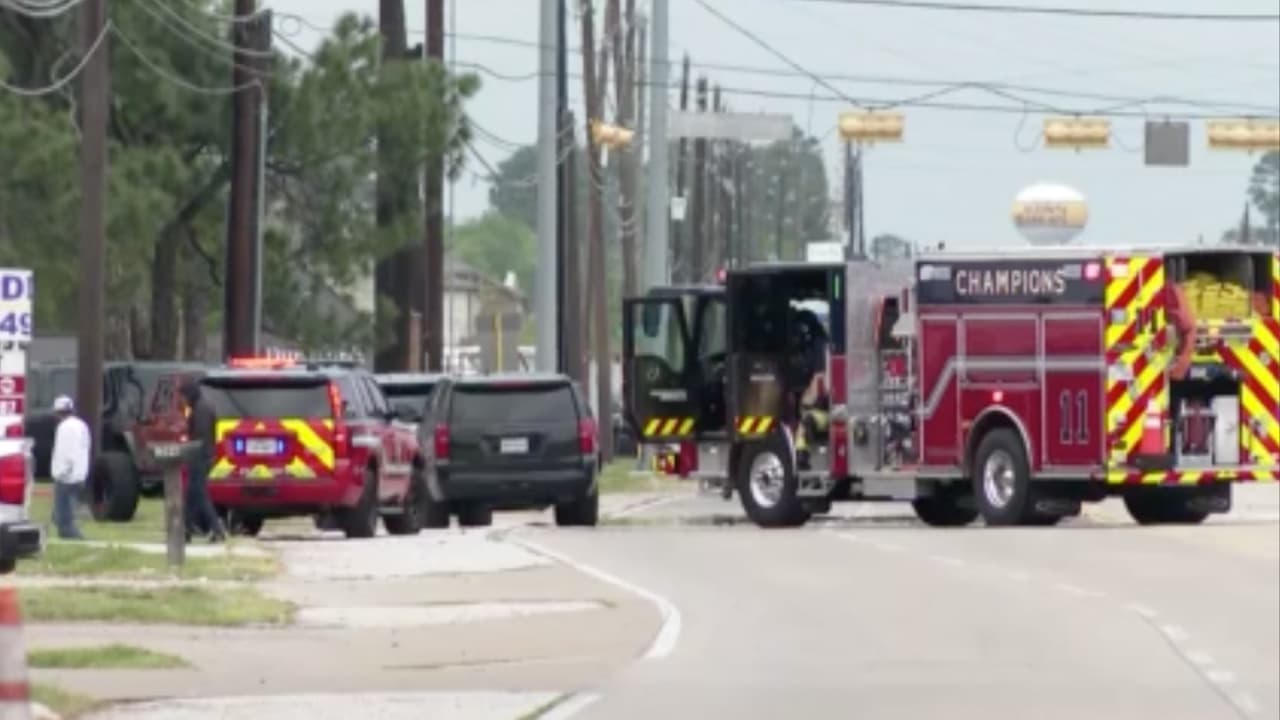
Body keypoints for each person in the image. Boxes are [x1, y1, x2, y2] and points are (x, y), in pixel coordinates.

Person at [180, 377, 226, 543]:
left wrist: (188, 448)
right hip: (203, 456)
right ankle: (186, 529)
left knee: (199, 494)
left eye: (183, 396)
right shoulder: (201, 406)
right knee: (192, 495)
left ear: (190, 394)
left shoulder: (201, 410)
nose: (182, 400)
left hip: (200, 457)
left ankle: (216, 528)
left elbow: (199, 437)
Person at [49, 395, 90, 540]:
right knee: (61, 509)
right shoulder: (81, 425)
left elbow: (64, 451)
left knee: (63, 514)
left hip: (66, 475)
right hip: (79, 472)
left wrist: (61, 471)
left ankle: (73, 536)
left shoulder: (64, 427)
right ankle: (61, 524)